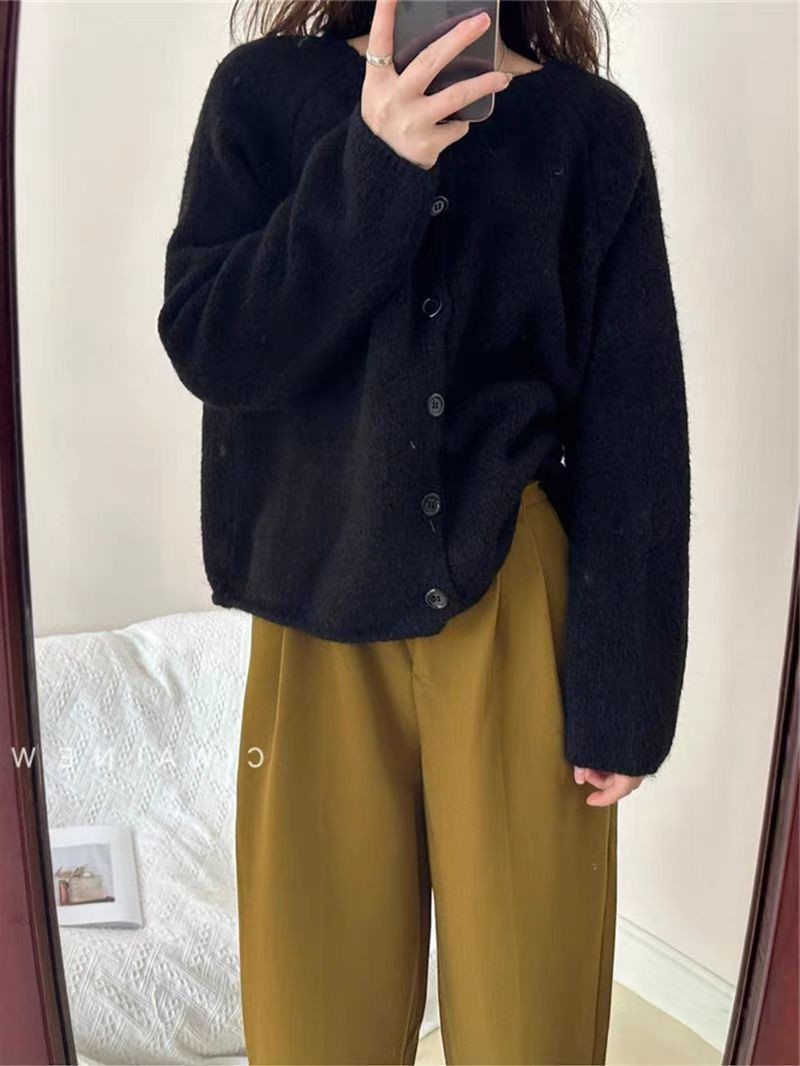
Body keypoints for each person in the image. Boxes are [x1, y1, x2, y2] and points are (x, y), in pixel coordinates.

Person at [157, 0, 691, 1062]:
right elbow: (214, 344)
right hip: (315, 596)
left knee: (529, 1021)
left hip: (516, 608)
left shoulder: (590, 130)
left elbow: (632, 424)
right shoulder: (261, 94)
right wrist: (374, 164)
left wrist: (626, 698)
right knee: (314, 1017)